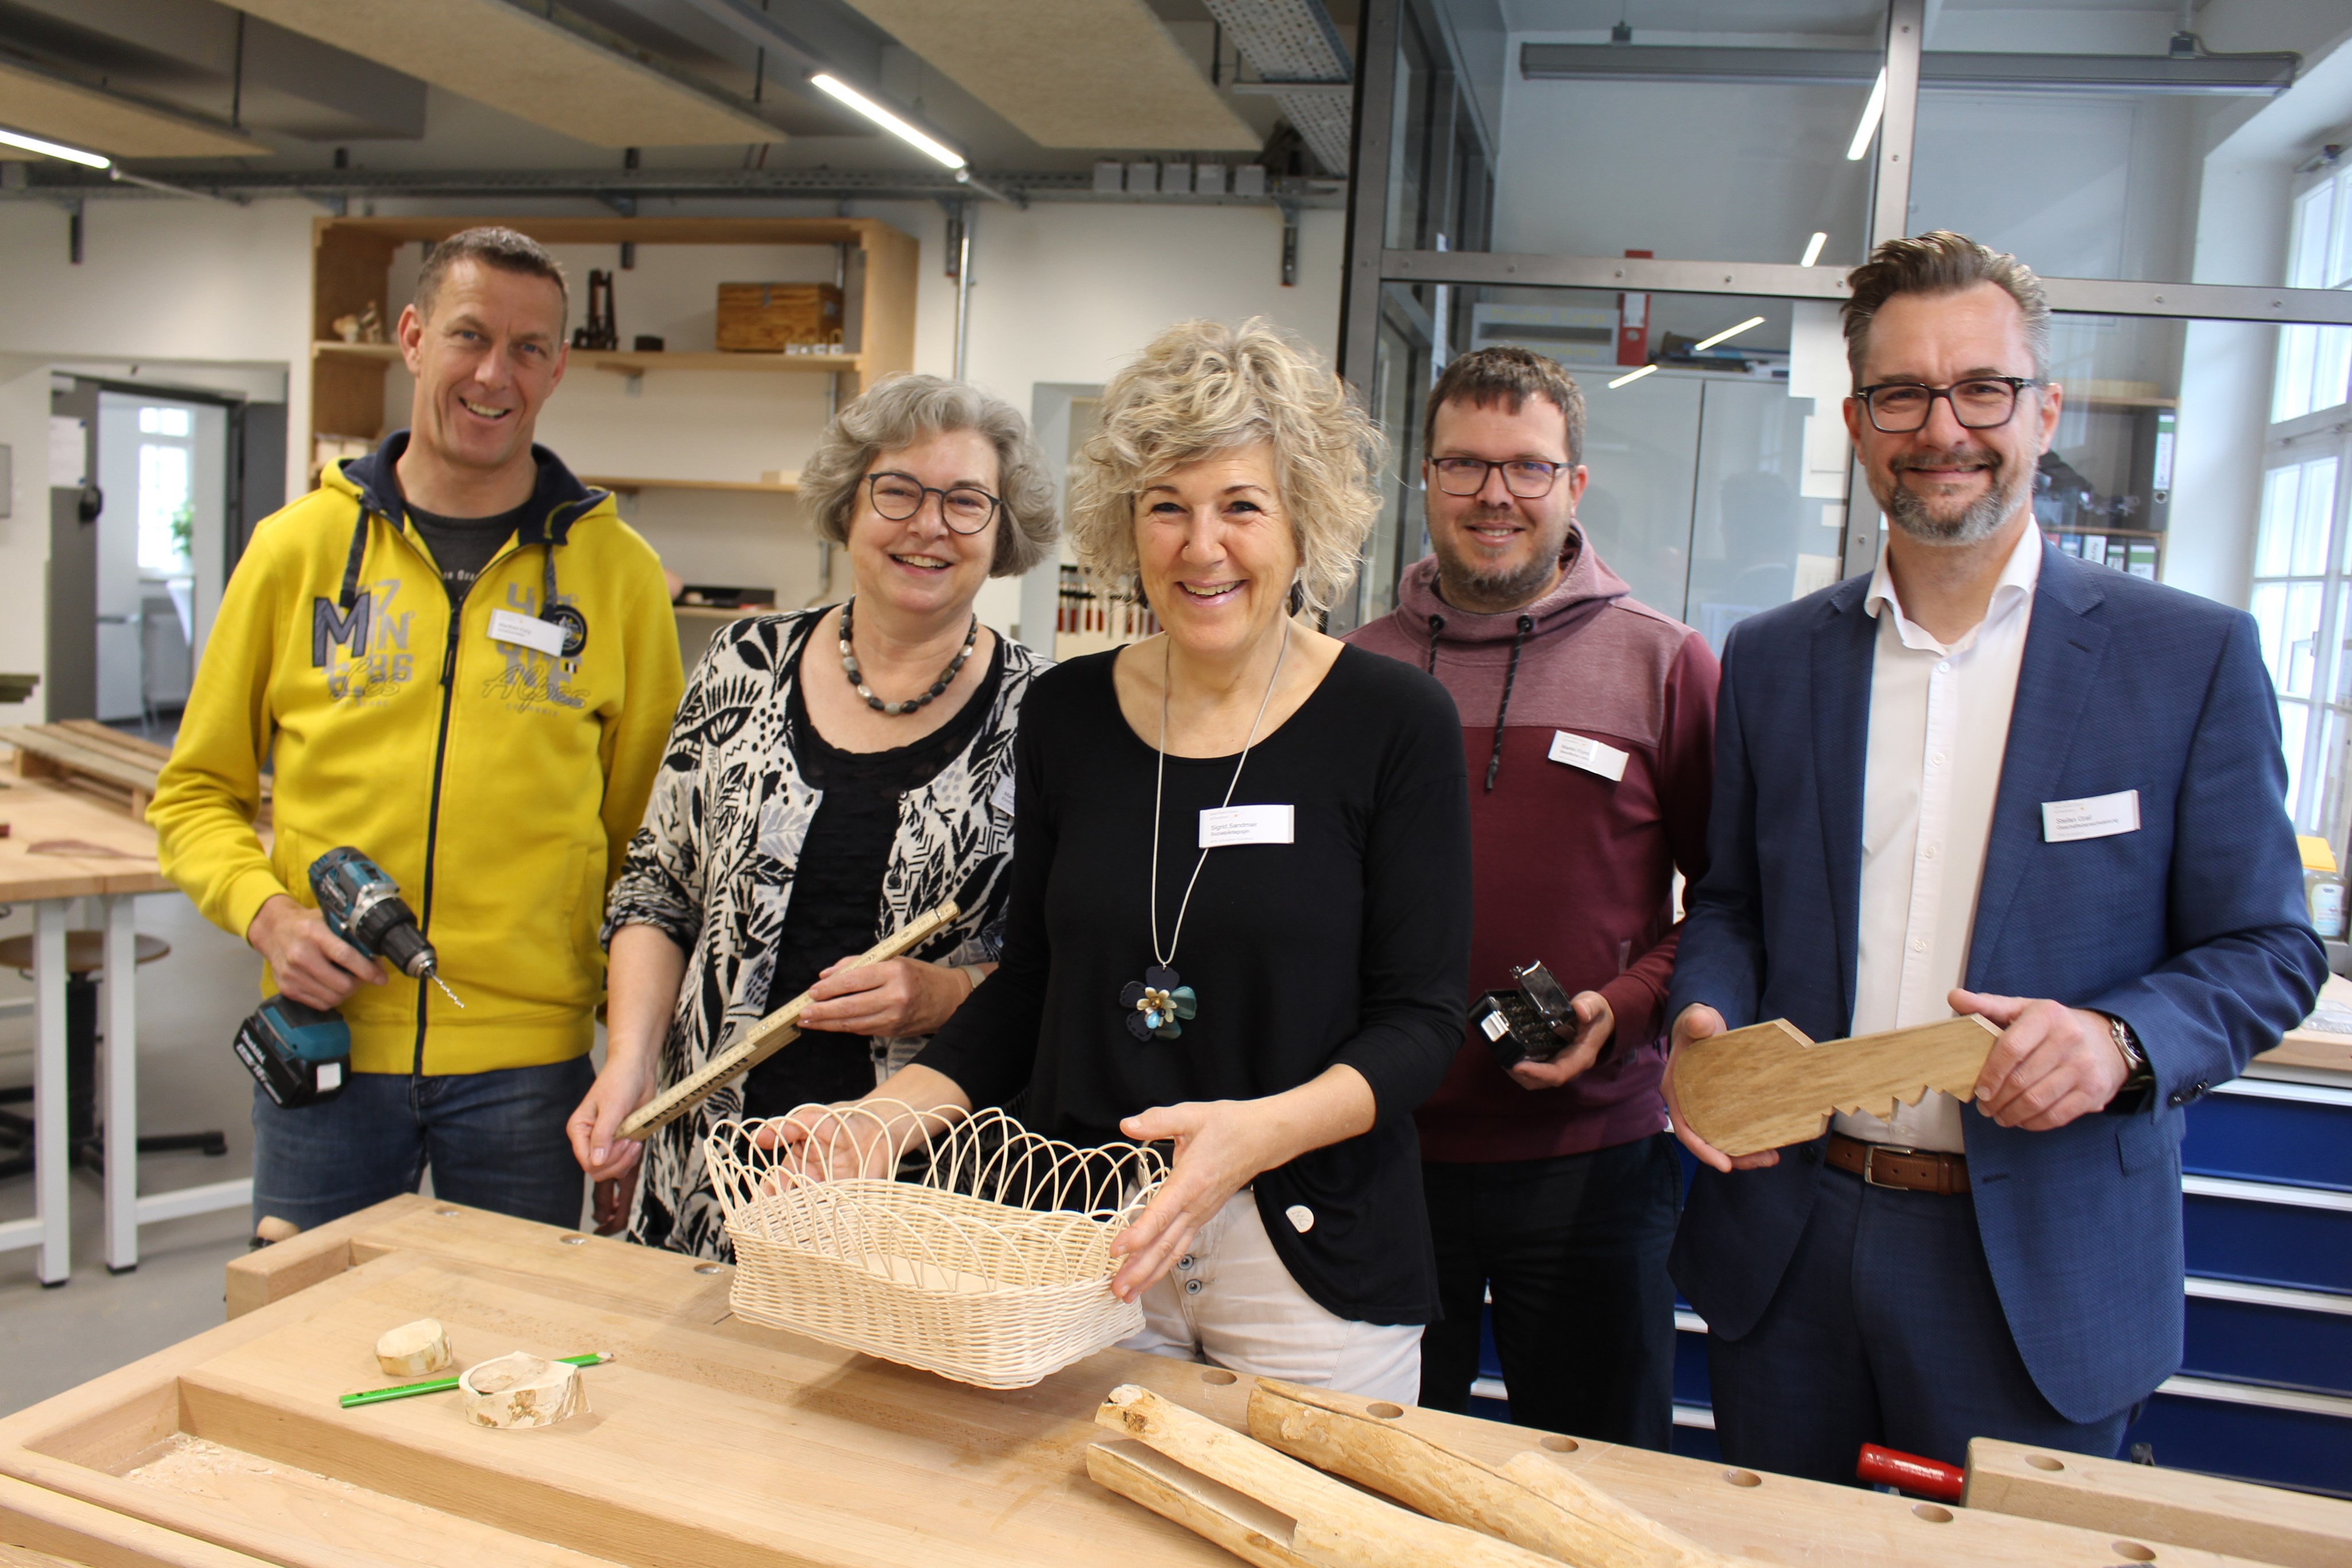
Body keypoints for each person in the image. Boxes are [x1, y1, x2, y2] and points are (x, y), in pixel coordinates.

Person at [1662, 231, 2324, 1481]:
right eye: (1902, 394)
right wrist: (1706, 1012)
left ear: (2041, 407)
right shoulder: (1771, 658)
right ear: (1858, 422)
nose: (1943, 429)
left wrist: (2119, 1042)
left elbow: (2267, 945)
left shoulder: (2183, 658)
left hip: (2036, 1258)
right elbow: (1734, 904)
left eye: (1981, 389)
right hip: (1793, 1235)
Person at [806, 319, 1472, 1401]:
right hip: (1081, 1243)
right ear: (1128, 525)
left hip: (1309, 1254)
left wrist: (1252, 1137)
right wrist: (891, 1116)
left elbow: (1425, 1020)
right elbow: (1034, 983)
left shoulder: (1394, 722)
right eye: (1167, 507)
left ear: (1306, 524)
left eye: (1240, 507)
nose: (1201, 547)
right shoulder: (1068, 711)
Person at [150, 226, 686, 1233]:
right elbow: (193, 798)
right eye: (470, 336)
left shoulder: (618, 577)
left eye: (529, 349)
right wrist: (268, 918)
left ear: (559, 366)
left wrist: (632, 1064)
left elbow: (646, 856)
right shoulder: (294, 551)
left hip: (531, 1070)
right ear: (411, 336)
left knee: (518, 1363)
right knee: (296, 1355)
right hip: (328, 1047)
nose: (496, 374)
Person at [571, 375, 1058, 1253]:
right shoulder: (743, 662)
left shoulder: (1049, 716)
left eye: (966, 502)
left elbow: (1059, 967)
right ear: (848, 505)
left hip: (913, 1182)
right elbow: (657, 889)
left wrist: (940, 994)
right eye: (898, 490)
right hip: (704, 1157)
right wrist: (630, 1063)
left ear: (1004, 529)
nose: (928, 525)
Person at [1346, 346, 1716, 1446]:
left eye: (1527, 468)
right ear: (1426, 479)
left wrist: (1628, 1005)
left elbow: (1730, 901)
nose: (1494, 496)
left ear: (1575, 487)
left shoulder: (1666, 664)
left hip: (1593, 1160)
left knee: (1600, 1476)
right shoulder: (1355, 668)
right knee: (1387, 1470)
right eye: (1463, 465)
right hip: (1385, 1150)